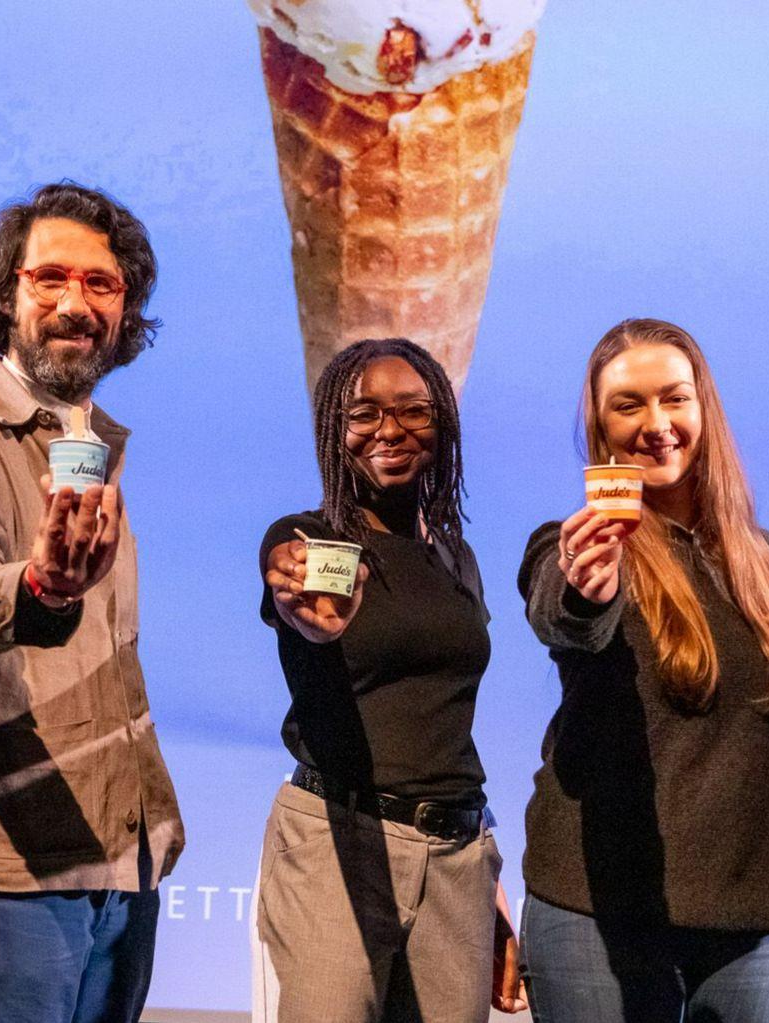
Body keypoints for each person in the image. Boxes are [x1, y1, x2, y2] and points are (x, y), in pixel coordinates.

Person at [516, 317, 769, 1022]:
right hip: (600, 915)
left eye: (674, 398)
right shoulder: (569, 547)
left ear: (704, 407)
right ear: (599, 424)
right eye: (629, 404)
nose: (657, 423)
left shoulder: (766, 556)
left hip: (768, 922)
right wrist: (591, 587)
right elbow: (563, 613)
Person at [0, 182, 184, 1022]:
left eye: (102, 284)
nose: (75, 303)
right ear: (5, 295)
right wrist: (39, 586)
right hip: (3, 873)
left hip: (118, 865)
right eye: (49, 278)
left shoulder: (93, 444)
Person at [252, 338, 525, 1022]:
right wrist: (313, 614)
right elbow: (298, 596)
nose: (390, 430)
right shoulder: (309, 538)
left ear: (444, 427)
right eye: (364, 413)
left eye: (413, 411)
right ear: (332, 430)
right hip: (339, 838)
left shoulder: (455, 557)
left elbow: (446, 722)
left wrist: (488, 885)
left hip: (459, 857)